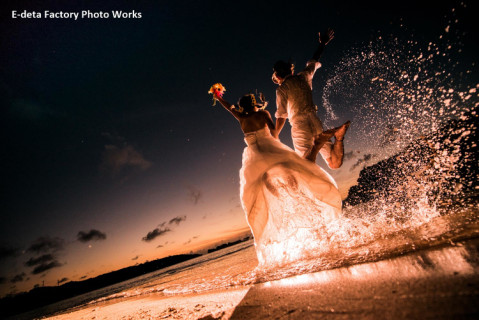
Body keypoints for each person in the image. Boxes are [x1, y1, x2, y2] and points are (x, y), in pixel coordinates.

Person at [213, 91, 342, 266]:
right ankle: (313, 157)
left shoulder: (240, 117)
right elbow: (274, 135)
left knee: (259, 188)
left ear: (243, 106)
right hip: (272, 150)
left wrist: (218, 96)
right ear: (254, 103)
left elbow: (229, 107)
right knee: (300, 169)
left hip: (256, 157)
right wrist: (266, 117)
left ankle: (285, 211)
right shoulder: (263, 114)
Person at [272, 29, 350, 168]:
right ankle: (338, 137)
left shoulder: (282, 89)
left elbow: (282, 116)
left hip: (299, 125)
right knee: (334, 163)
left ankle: (319, 143)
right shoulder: (303, 76)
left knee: (304, 166)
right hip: (315, 121)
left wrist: (275, 135)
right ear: (291, 70)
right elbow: (314, 60)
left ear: (278, 77)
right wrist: (323, 44)